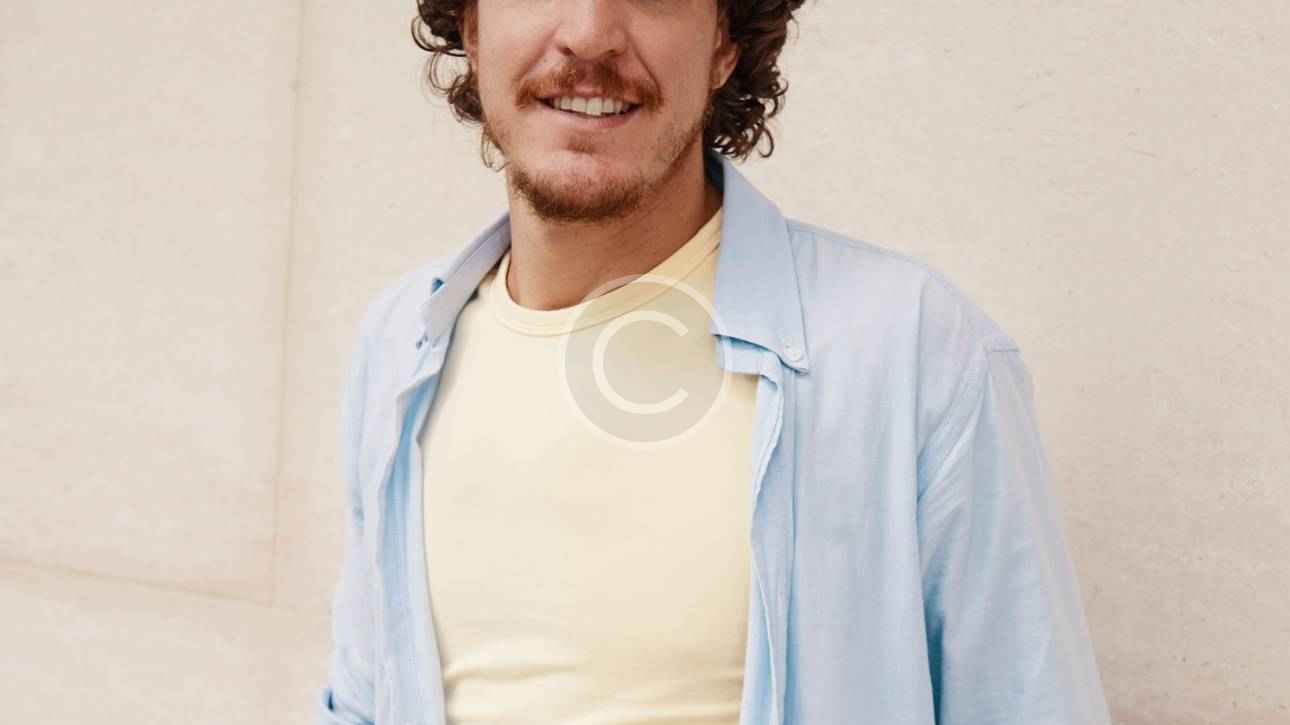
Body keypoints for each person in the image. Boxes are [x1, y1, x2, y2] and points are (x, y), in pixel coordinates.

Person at [317, 1, 1113, 723]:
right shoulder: (401, 346)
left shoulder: (916, 356)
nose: (589, 33)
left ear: (725, 40)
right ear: (471, 25)